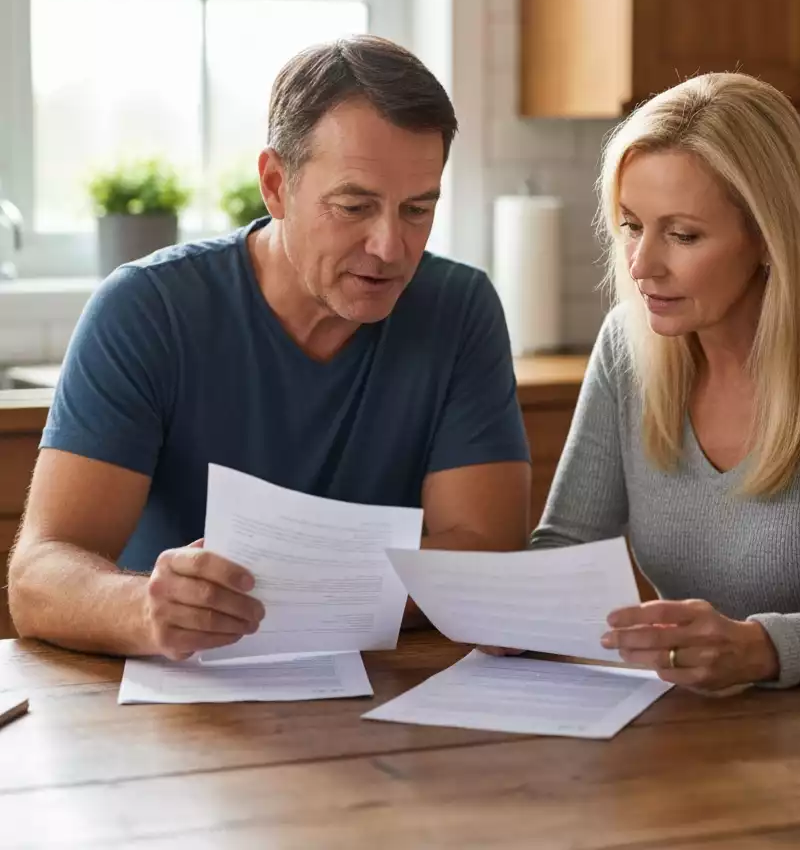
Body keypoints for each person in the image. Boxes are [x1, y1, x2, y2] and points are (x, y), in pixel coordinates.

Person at [9, 35, 530, 661]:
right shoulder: (148, 309)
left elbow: (488, 559)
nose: (391, 247)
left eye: (417, 210)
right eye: (354, 206)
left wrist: (287, 581)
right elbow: (37, 578)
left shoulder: (460, 308)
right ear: (276, 184)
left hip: (388, 691)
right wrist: (144, 607)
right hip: (186, 697)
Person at [529, 72, 800, 691]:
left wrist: (761, 647)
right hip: (697, 734)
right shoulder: (627, 345)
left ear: (768, 237)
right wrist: (513, 607)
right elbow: (566, 547)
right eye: (631, 224)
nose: (641, 265)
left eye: (682, 235)